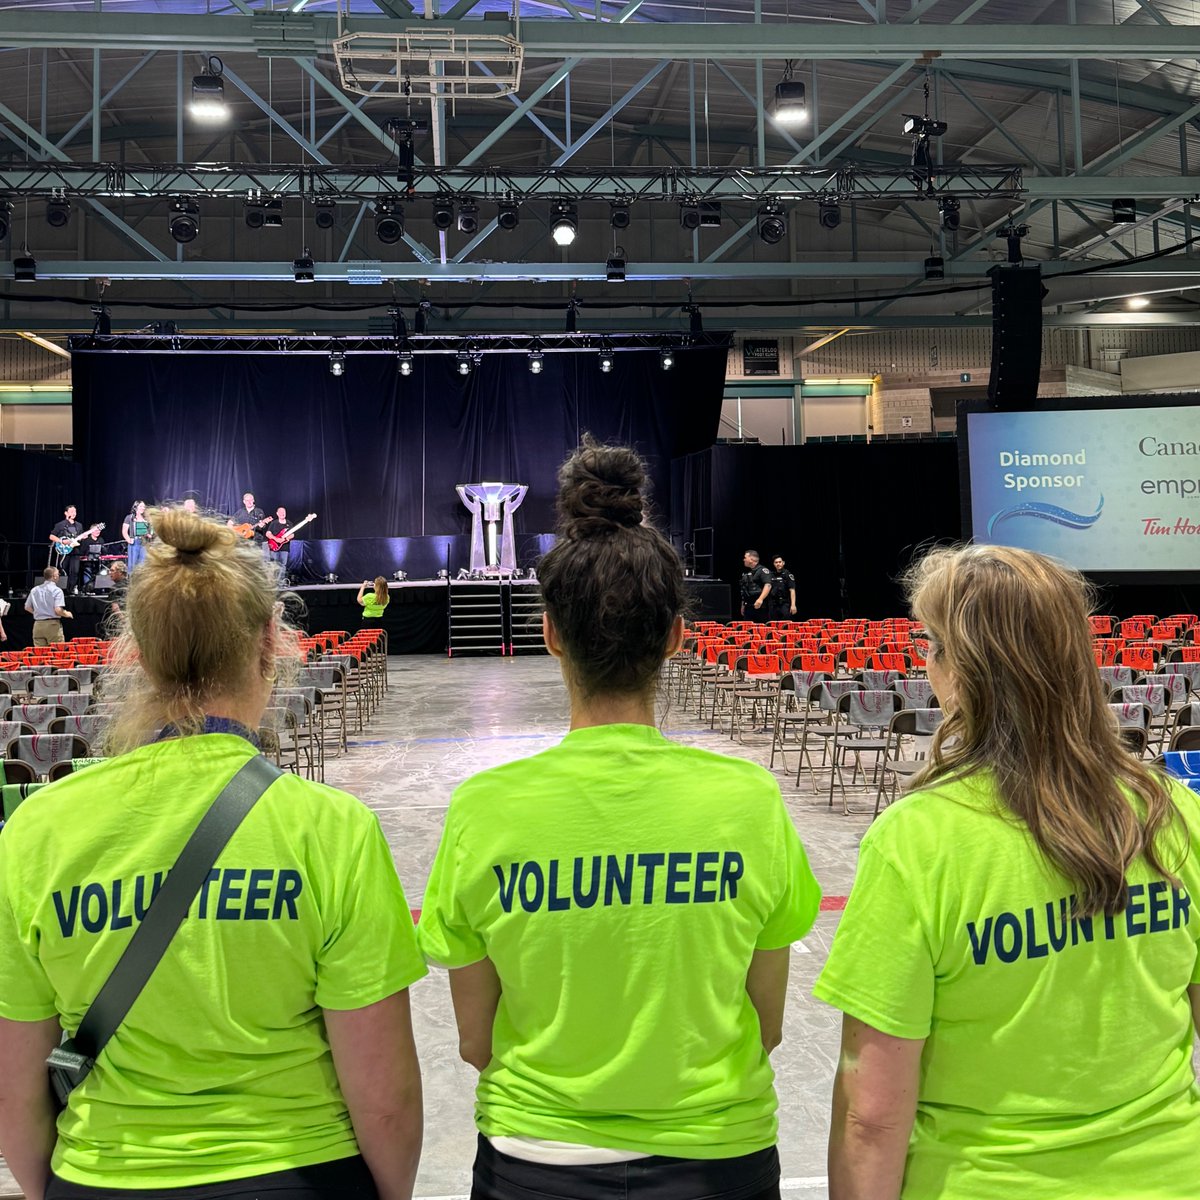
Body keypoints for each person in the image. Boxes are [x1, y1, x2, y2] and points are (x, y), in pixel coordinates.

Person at [418, 438, 821, 1200]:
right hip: (718, 1158)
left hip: (535, 1161)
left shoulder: (485, 809)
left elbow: (476, 1042)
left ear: (549, 633)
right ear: (676, 634)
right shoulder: (748, 801)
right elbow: (766, 1026)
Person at [0, 507, 425, 1200]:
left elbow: (14, 1091)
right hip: (299, 1176)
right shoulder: (329, 828)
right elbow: (384, 1099)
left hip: (104, 1176)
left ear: (132, 651)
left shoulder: (36, 830)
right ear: (270, 643)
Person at [814, 543, 1200, 1200]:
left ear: (960, 669)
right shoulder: (1174, 812)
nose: (924, 661)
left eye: (932, 643)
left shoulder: (917, 841)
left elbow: (872, 1115)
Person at [49, 505, 99, 595]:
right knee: (63, 570)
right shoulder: (60, 525)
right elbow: (51, 536)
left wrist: (84, 537)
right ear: (66, 513)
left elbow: (79, 538)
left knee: (75, 571)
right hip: (64, 551)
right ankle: (61, 590)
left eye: (75, 511)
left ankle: (71, 589)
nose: (74, 513)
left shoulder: (79, 525)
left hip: (76, 551)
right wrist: (62, 541)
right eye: (71, 511)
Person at [23, 566, 72, 646]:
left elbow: (27, 607)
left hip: (38, 625)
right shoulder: (57, 590)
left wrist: (38, 612)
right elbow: (58, 610)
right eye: (58, 574)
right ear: (54, 576)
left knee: (40, 655)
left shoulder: (34, 590)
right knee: (57, 653)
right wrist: (67, 614)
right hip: (52, 625)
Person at [739, 549, 772, 618]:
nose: (743, 560)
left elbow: (768, 585)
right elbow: (745, 590)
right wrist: (743, 605)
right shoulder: (747, 573)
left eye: (745, 558)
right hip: (748, 606)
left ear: (751, 559)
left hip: (760, 605)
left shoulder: (762, 570)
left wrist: (760, 599)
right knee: (748, 627)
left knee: (761, 627)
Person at [121, 499, 151, 573]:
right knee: (133, 565)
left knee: (143, 565)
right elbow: (124, 531)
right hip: (134, 542)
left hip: (144, 542)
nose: (143, 508)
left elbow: (149, 531)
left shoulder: (146, 518)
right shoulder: (129, 517)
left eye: (144, 506)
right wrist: (129, 540)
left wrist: (148, 534)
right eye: (141, 506)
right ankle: (131, 583)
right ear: (136, 506)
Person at [264, 506, 292, 579]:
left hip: (285, 547)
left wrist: (286, 538)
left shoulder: (289, 523)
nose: (282, 513)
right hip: (274, 546)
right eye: (281, 512)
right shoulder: (274, 523)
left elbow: (292, 534)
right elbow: (267, 534)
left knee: (283, 565)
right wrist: (275, 539)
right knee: (274, 564)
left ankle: (281, 582)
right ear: (277, 513)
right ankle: (275, 582)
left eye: (284, 512)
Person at [766, 555, 797, 622]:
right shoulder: (771, 575)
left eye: (780, 562)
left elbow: (792, 590)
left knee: (785, 626)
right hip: (773, 605)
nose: (778, 564)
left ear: (783, 563)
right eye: (776, 562)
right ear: (774, 564)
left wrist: (793, 605)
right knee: (772, 625)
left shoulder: (788, 575)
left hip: (784, 604)